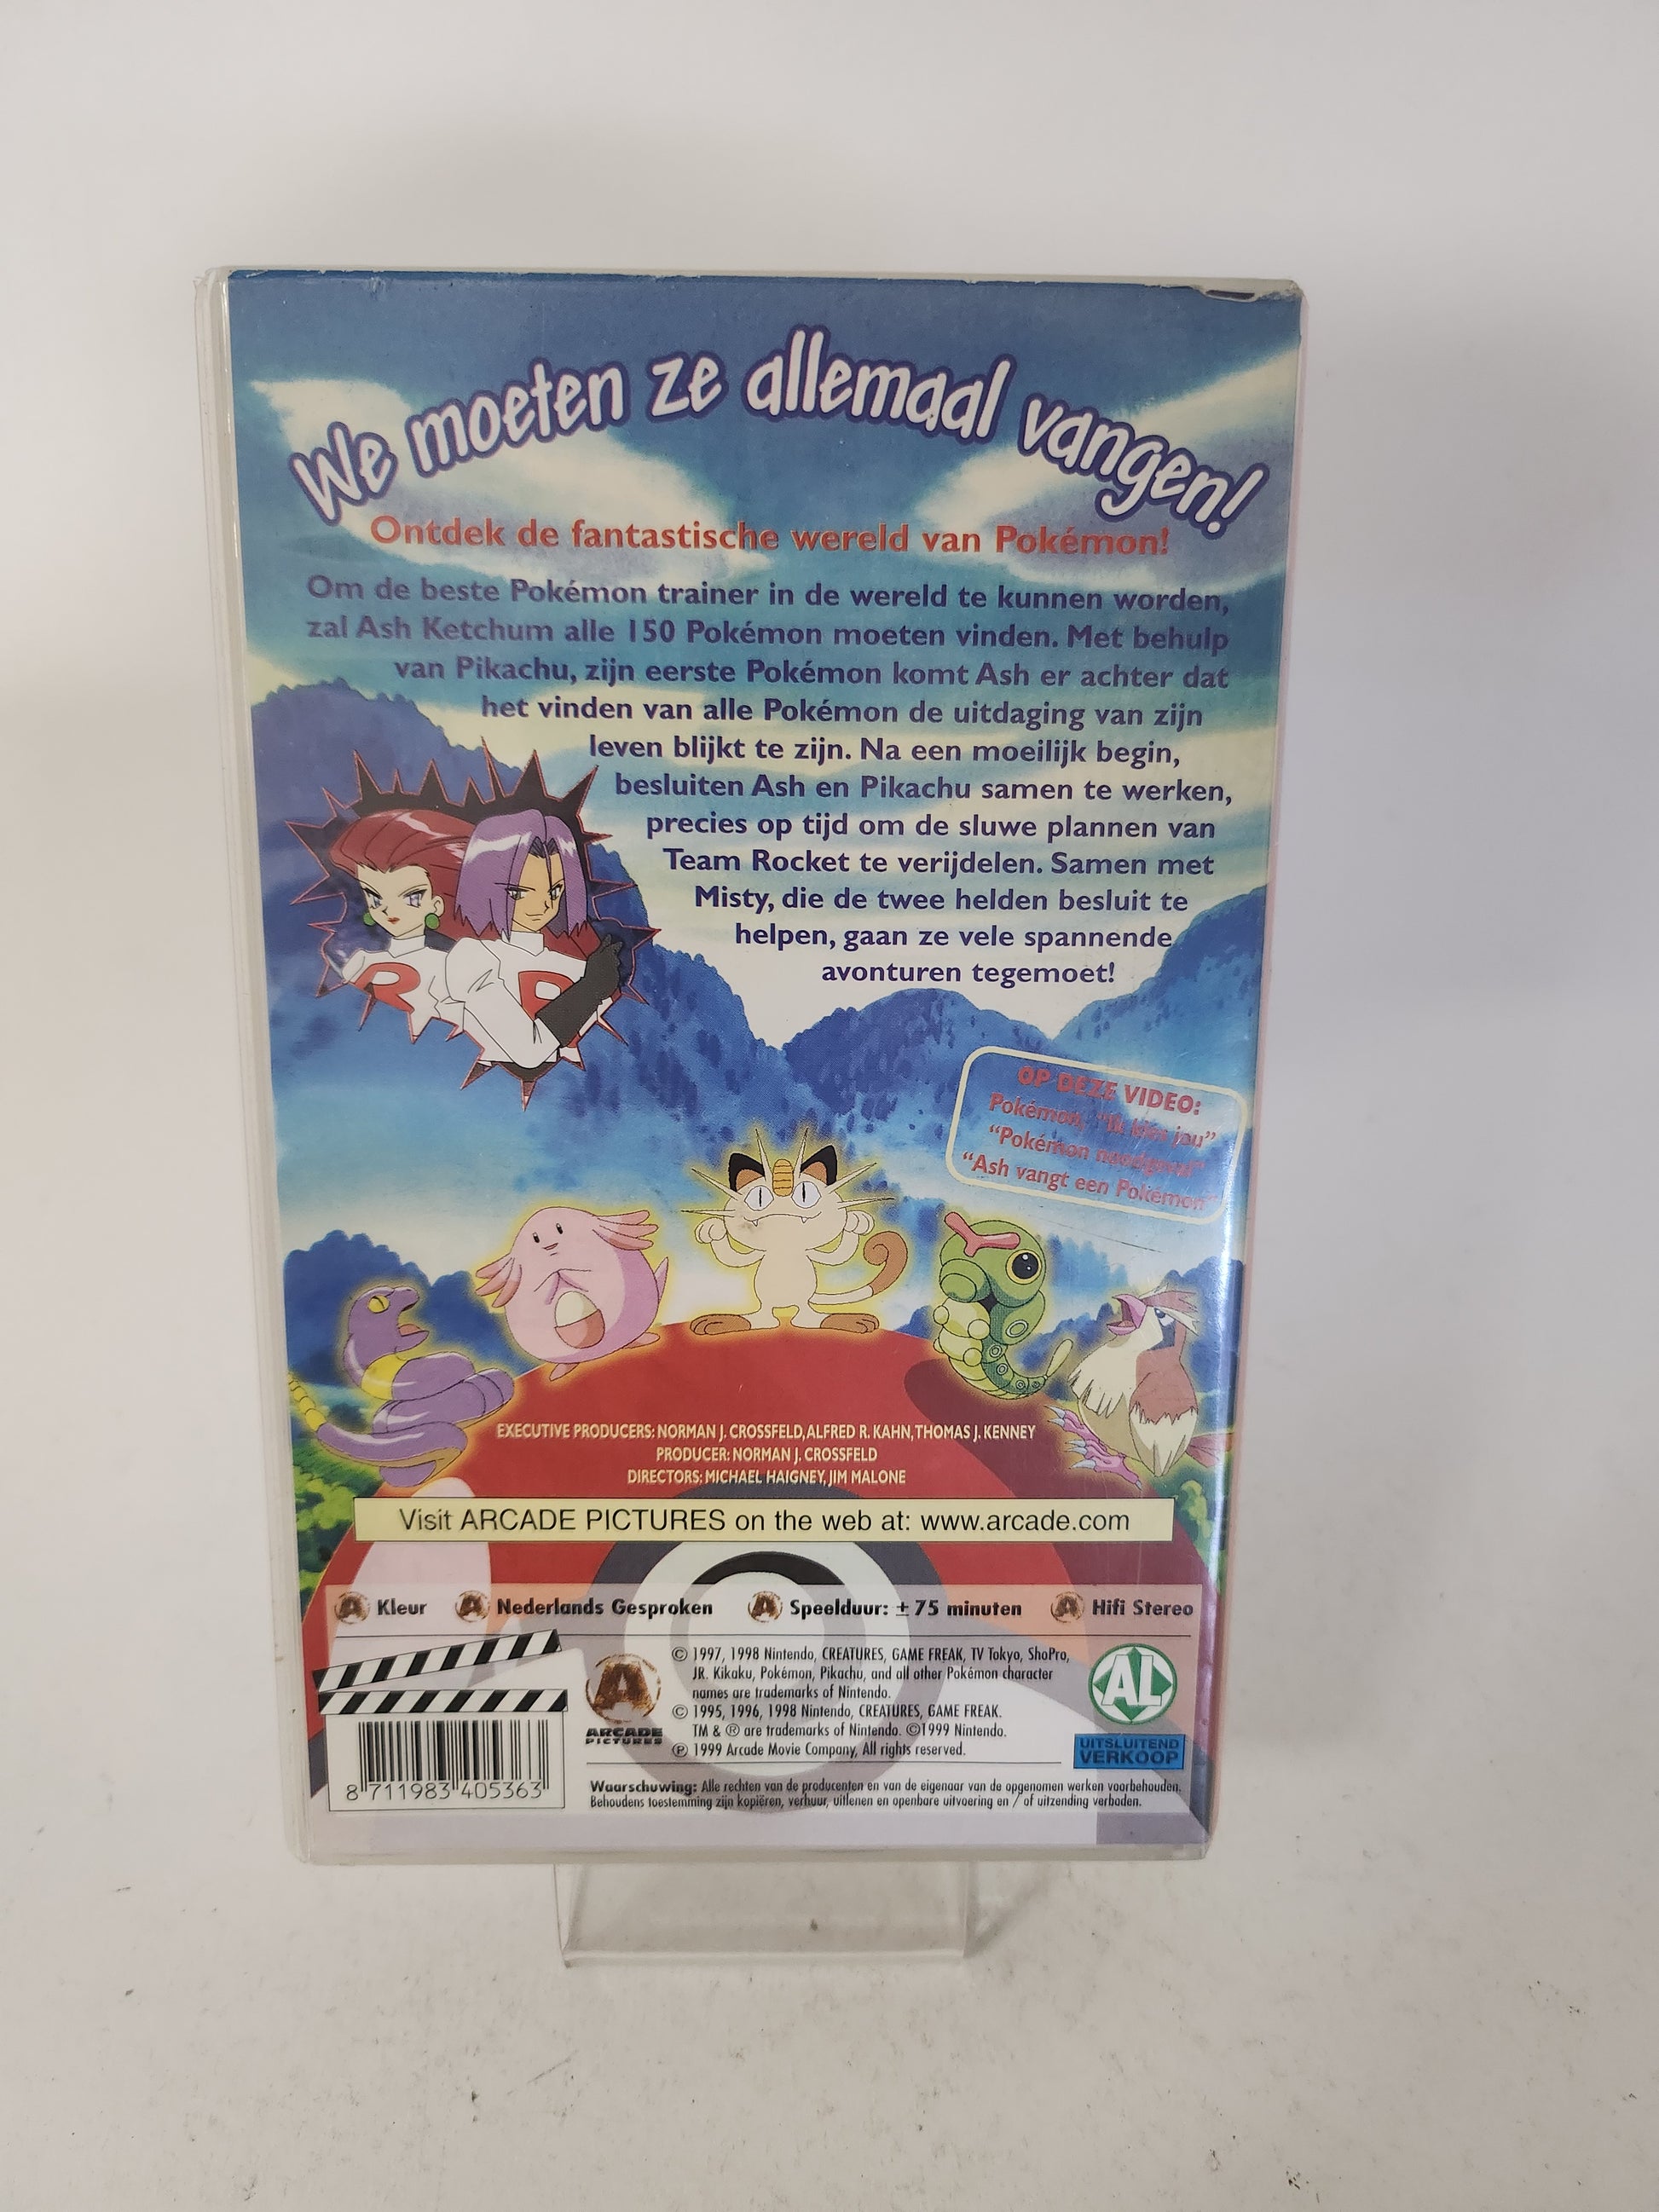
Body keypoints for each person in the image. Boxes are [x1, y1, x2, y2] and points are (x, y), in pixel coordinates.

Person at [448, 808, 622, 1074]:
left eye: (554, 891)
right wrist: (591, 989)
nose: (543, 905)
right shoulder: (473, 957)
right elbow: (529, 1051)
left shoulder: (575, 966)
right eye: (519, 892)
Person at [326, 807, 471, 1038]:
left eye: (411, 897)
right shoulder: (358, 961)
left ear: (436, 904)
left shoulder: (453, 965)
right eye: (376, 897)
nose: (389, 909)